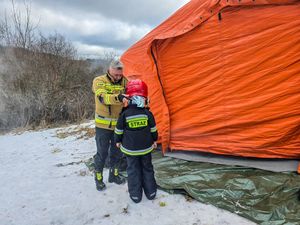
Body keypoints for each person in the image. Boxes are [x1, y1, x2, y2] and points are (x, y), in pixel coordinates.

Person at [114, 79, 158, 203]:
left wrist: (117, 141)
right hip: (146, 149)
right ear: (144, 98)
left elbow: (118, 131)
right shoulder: (147, 113)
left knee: (133, 170)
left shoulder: (124, 114)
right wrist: (155, 140)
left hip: (130, 150)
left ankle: (135, 195)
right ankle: (151, 193)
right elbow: (153, 130)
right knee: (147, 168)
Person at [92, 59, 128, 191]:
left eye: (120, 75)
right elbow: (102, 97)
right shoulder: (99, 81)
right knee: (102, 153)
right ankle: (99, 178)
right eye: (116, 75)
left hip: (118, 126)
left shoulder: (125, 81)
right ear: (109, 71)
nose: (119, 77)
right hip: (103, 126)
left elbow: (131, 94)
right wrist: (118, 97)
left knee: (117, 152)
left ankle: (114, 175)